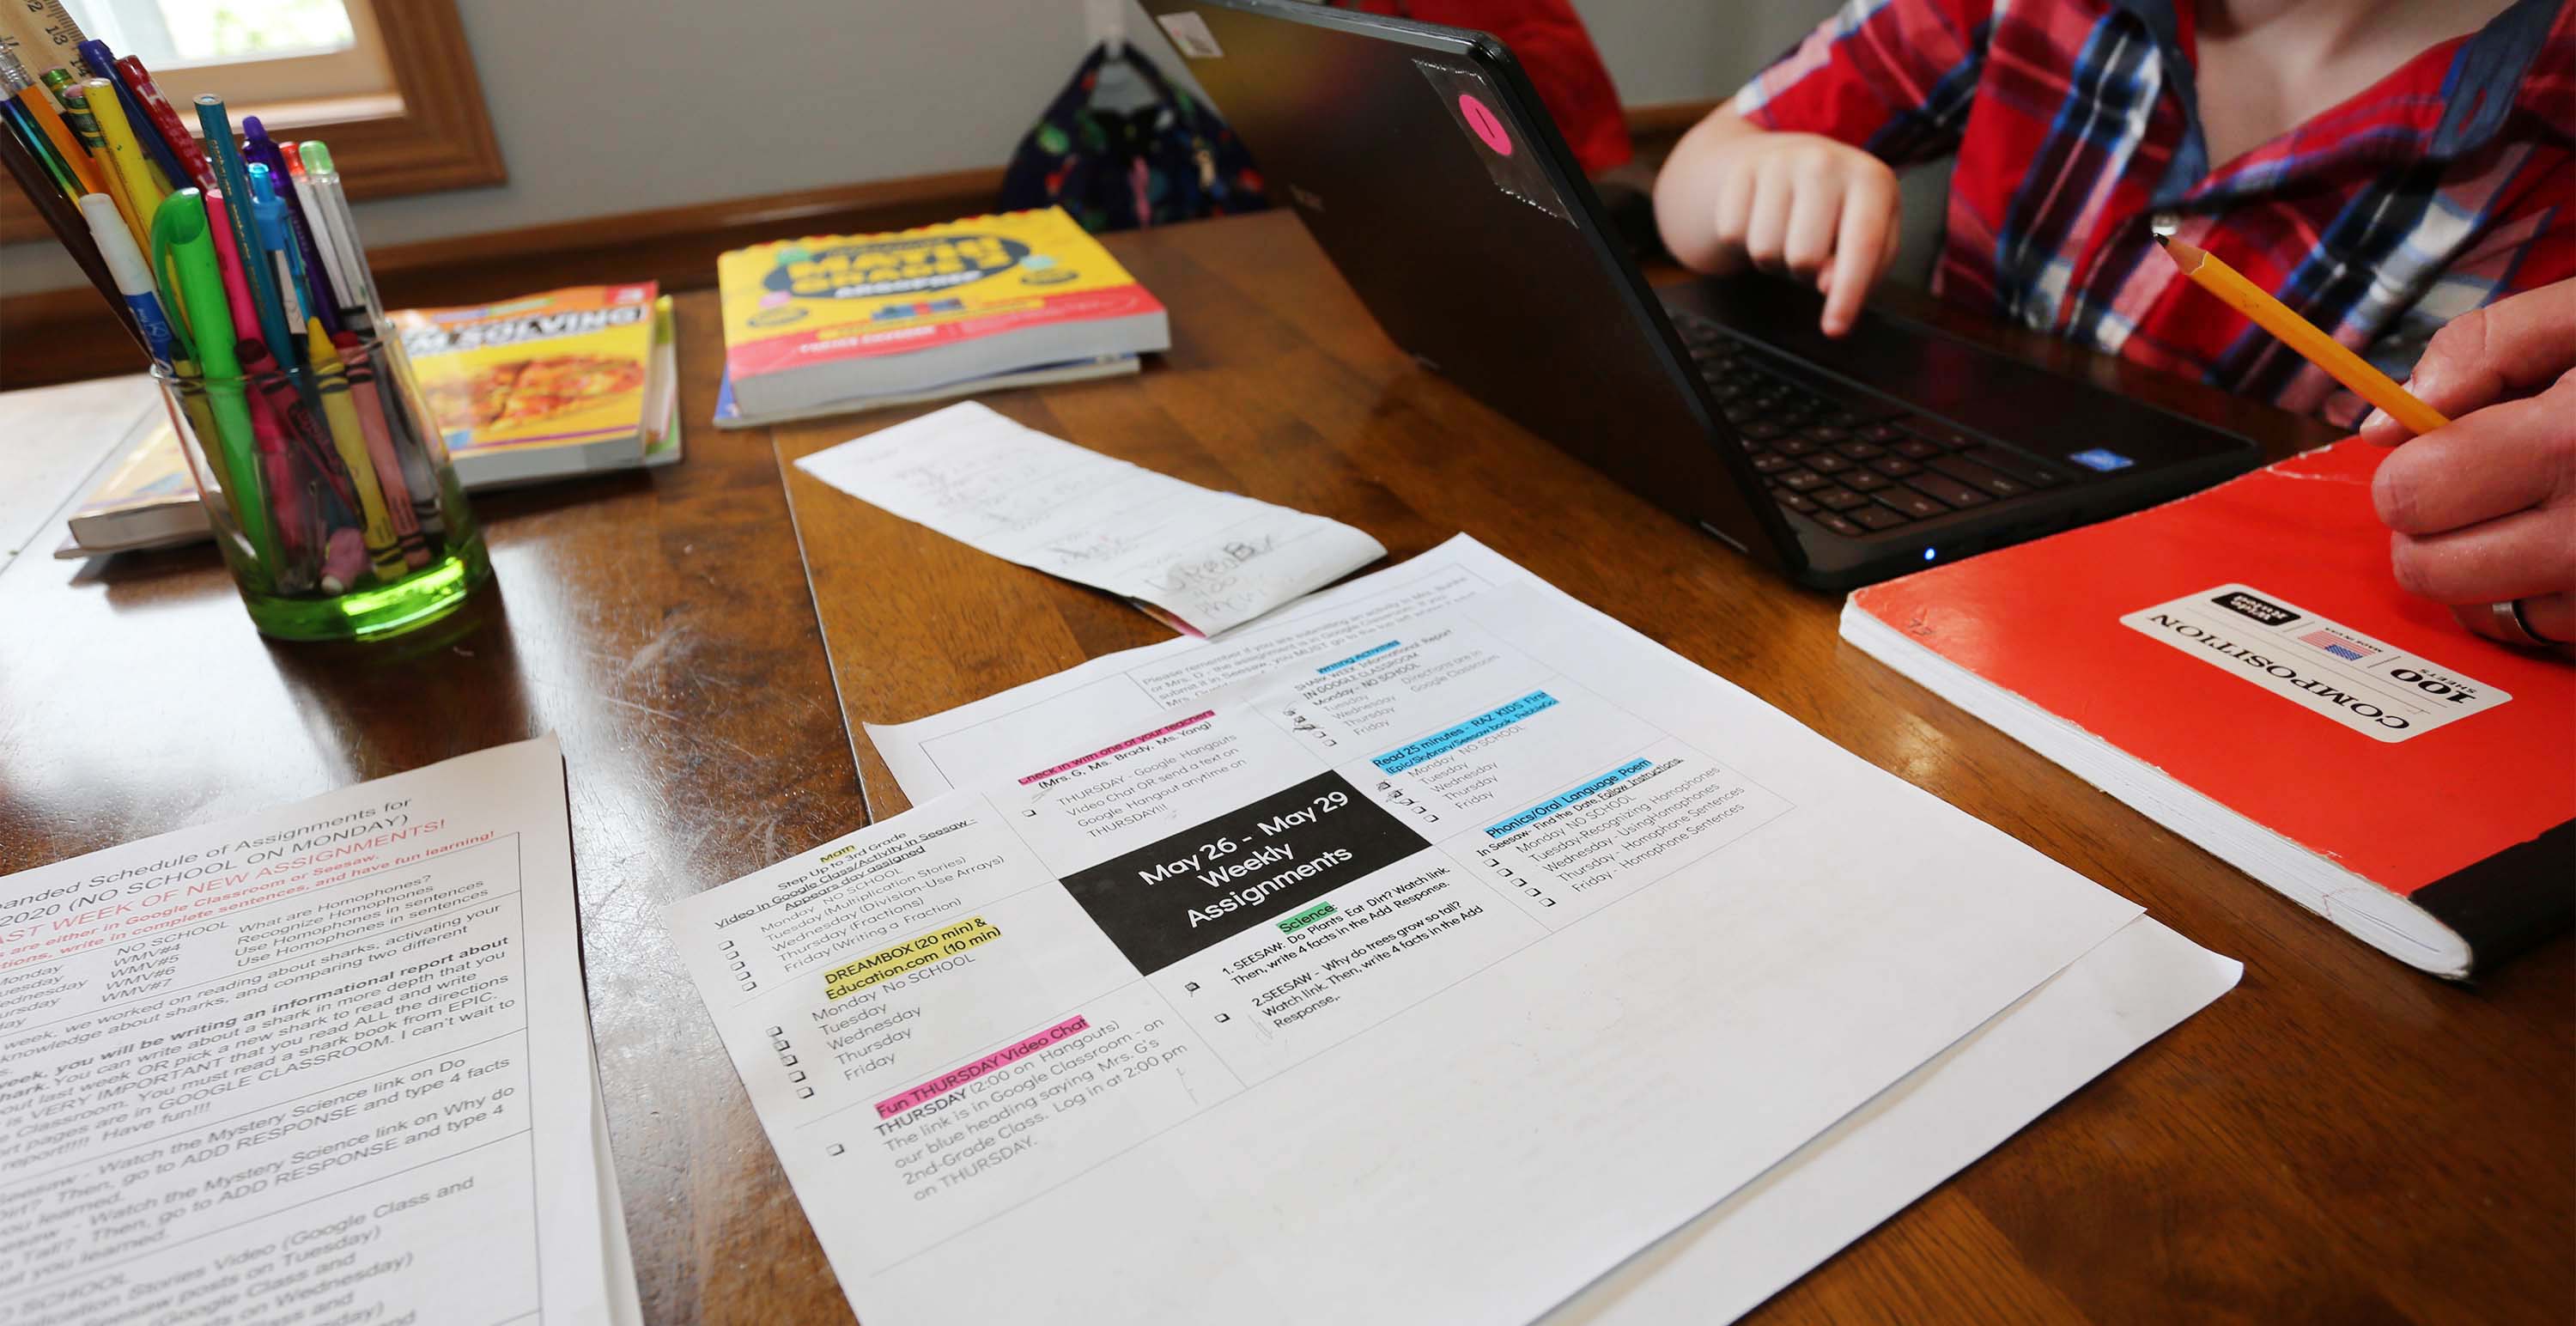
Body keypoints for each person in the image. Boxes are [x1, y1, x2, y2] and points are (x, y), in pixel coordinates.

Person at [1652, 0, 2572, 648]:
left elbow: (2491, 528)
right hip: (1927, 555)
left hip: (2227, 643)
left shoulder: (2545, 123)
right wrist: (1753, 174)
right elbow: (1690, 180)